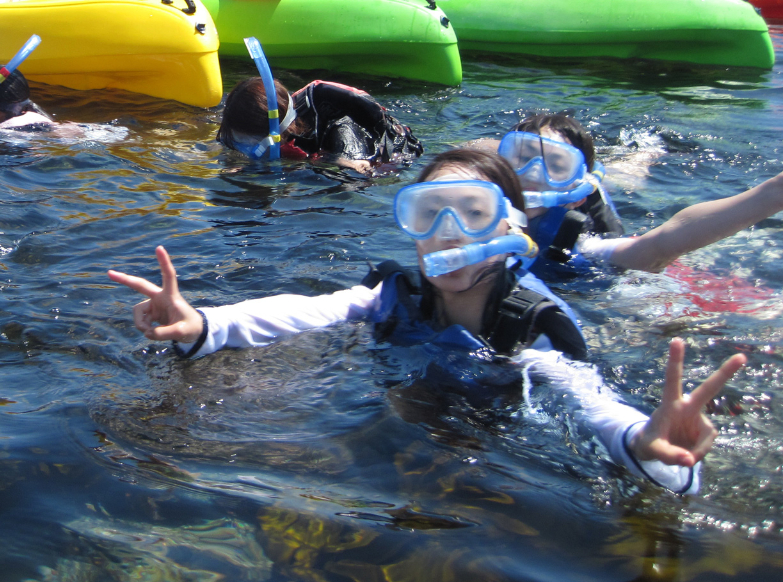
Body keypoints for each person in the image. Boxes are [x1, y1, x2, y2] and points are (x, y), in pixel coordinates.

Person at [109, 147, 746, 495]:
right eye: (426, 213)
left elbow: (590, 403)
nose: (443, 235)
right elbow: (306, 311)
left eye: (468, 212)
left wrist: (646, 446)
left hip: (490, 448)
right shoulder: (396, 295)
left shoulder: (529, 330)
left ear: (510, 228)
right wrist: (204, 324)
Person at [493, 111, 783, 276]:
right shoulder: (470, 208)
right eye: (523, 156)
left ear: (577, 194)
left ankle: (645, 154)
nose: (532, 173)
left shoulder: (580, 246)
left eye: (556, 165)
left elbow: (654, 249)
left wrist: (772, 194)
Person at [216, 76, 422, 173]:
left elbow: (361, 178)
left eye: (248, 141)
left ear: (275, 132)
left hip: (384, 147)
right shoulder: (238, 125)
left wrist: (340, 162)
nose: (241, 147)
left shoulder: (338, 127)